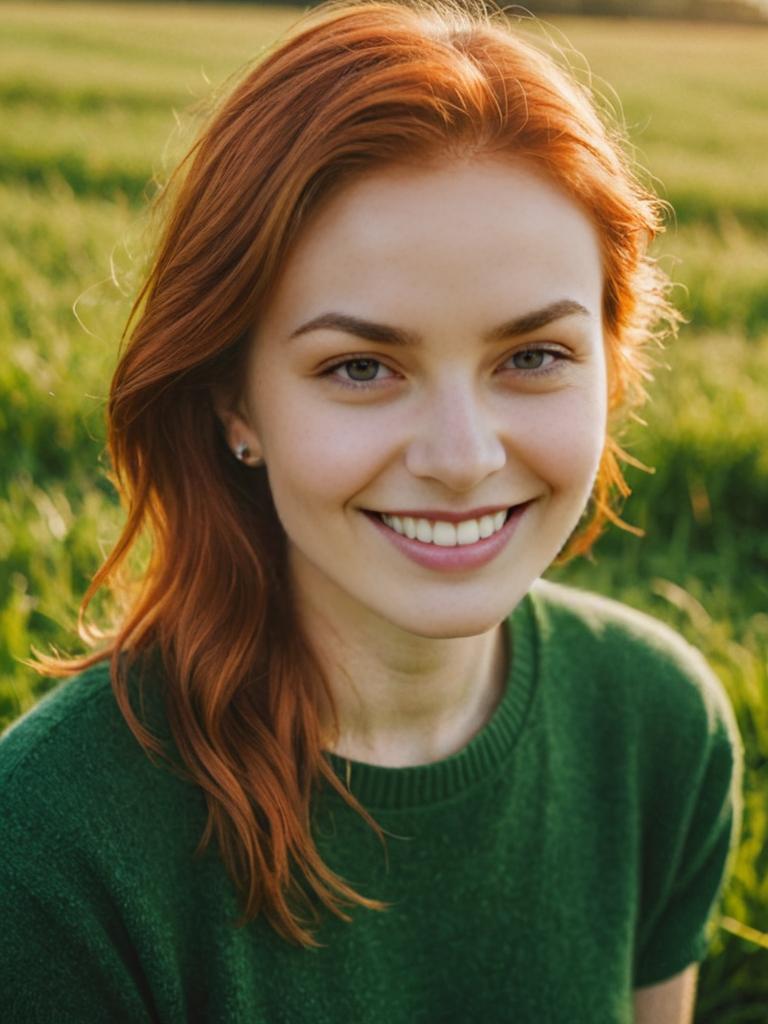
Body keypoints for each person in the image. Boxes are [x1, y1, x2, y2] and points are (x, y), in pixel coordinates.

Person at [0, 2, 742, 1022]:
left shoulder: (659, 724)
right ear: (234, 402)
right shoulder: (49, 847)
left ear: (612, 367)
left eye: (532, 357)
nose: (461, 457)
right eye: (360, 366)